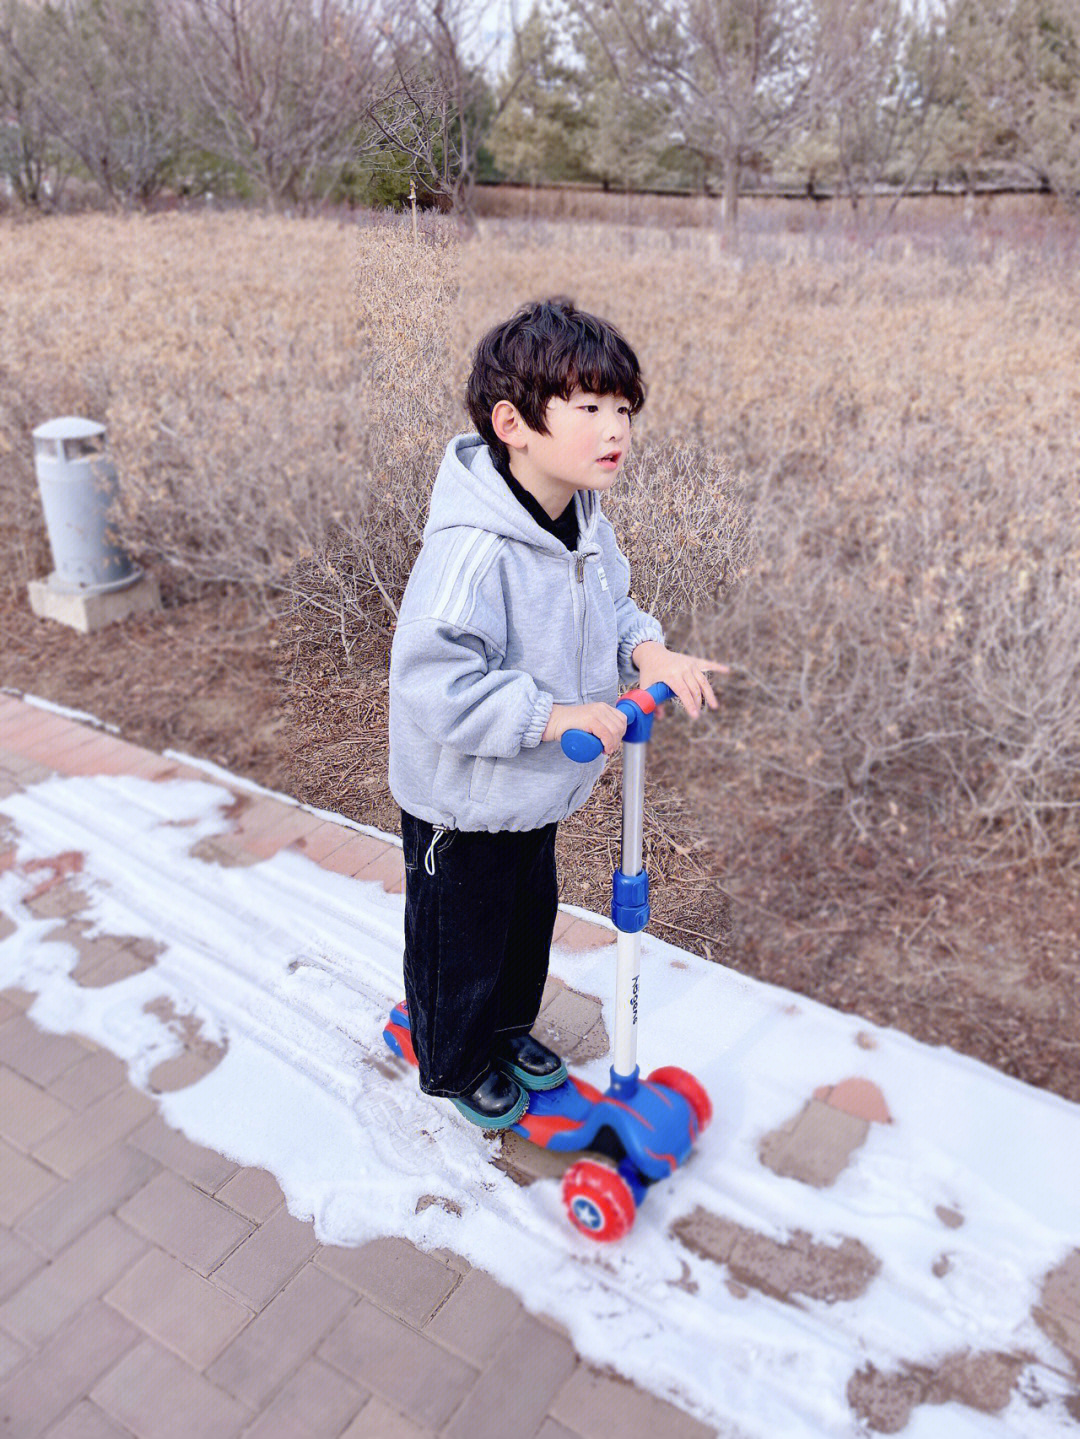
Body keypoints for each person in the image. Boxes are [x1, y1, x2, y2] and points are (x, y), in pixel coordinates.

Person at [388, 296, 724, 1129]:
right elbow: (434, 683)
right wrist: (558, 716)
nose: (615, 428)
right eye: (589, 407)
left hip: (533, 790)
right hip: (460, 802)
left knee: (523, 924)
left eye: (622, 409)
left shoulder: (582, 518)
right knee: (458, 940)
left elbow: (614, 605)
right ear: (514, 422)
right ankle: (455, 1059)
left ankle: (505, 1027)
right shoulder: (475, 549)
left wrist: (650, 654)